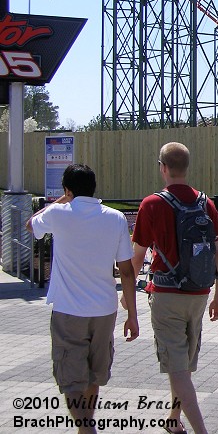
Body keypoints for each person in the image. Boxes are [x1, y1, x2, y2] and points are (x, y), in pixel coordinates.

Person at [27, 164, 138, 434]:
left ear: (68, 189)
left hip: (68, 310)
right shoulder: (115, 218)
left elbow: (31, 225)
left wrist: (62, 200)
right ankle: (85, 427)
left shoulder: (58, 213)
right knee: (93, 373)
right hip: (104, 309)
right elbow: (126, 270)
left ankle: (87, 429)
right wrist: (132, 315)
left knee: (71, 378)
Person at [129, 142, 218, 434]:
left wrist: (126, 295)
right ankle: (173, 419)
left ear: (163, 167)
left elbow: (137, 255)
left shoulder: (152, 204)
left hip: (166, 295)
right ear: (186, 167)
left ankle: (201, 431)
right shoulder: (204, 202)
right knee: (182, 365)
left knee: (178, 369)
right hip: (199, 293)